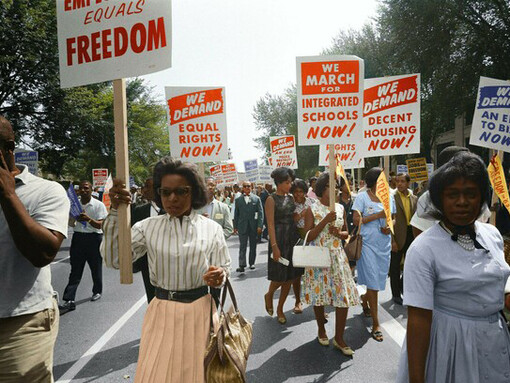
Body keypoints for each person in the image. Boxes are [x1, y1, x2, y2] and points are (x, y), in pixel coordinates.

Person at [101, 157, 230, 383]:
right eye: (166, 191)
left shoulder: (212, 229)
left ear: (194, 192)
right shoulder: (147, 227)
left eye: (181, 191)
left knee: (197, 376)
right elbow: (114, 260)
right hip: (161, 311)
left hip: (200, 313)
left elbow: (224, 269)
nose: (173, 198)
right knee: (157, 375)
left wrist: (219, 275)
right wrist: (115, 212)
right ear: (158, 194)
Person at [396, 152, 510, 383]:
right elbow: (418, 320)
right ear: (440, 199)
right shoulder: (423, 249)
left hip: (495, 341)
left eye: (470, 194)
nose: (462, 202)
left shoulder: (493, 234)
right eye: (452, 194)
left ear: (482, 198)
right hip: (450, 347)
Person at [0, 116, 70, 382]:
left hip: (20, 325)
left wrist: (8, 195)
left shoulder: (46, 191)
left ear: (8, 147)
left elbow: (42, 254)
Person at [302, 173, 360, 355]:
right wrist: (325, 221)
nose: (334, 188)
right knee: (319, 297)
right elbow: (307, 235)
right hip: (319, 257)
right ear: (322, 188)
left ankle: (340, 338)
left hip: (338, 257)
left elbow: (347, 234)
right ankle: (321, 329)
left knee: (343, 297)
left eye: (336, 185)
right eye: (330, 185)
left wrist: (339, 233)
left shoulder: (341, 208)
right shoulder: (313, 209)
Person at [352, 167, 395, 342]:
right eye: (382, 179)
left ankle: (365, 299)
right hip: (367, 244)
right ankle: (376, 324)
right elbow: (356, 220)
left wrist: (388, 227)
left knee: (376, 280)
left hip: (383, 245)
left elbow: (392, 217)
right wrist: (377, 215)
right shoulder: (362, 197)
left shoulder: (389, 197)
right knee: (373, 282)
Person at [60, 180, 108, 311]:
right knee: (75, 270)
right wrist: (74, 218)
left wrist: (88, 219)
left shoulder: (98, 205)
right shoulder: (75, 205)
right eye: (81, 189)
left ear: (91, 189)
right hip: (78, 239)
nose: (84, 191)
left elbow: (101, 225)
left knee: (95, 267)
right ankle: (69, 299)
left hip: (94, 239)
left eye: (86, 188)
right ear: (78, 191)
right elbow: (70, 224)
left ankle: (97, 291)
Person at [264, 167, 302, 324]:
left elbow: (293, 219)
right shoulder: (271, 199)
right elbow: (270, 225)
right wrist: (274, 246)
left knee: (290, 277)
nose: (290, 185)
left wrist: (304, 214)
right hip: (278, 240)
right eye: (287, 182)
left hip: (292, 239)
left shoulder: (291, 198)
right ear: (279, 183)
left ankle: (280, 308)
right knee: (279, 277)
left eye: (290, 182)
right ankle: (269, 294)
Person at [131, 177, 160, 303]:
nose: (144, 190)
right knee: (152, 299)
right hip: (147, 262)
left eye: (148, 187)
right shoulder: (139, 210)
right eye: (144, 186)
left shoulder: (171, 211)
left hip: (168, 262)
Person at [390, 173, 417, 305]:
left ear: (408, 183)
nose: (399, 184)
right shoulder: (392, 197)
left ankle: (402, 287)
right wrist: (392, 240)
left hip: (411, 234)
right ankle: (395, 294)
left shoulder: (414, 198)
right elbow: (388, 220)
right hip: (397, 235)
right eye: (397, 181)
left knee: (410, 265)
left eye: (402, 181)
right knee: (394, 266)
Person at [233, 181, 264, 272]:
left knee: (253, 245)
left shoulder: (256, 199)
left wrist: (260, 226)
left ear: (251, 187)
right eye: (245, 186)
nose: (247, 188)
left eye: (248, 186)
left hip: (253, 226)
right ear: (242, 188)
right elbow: (236, 214)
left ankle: (252, 263)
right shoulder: (238, 200)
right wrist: (235, 226)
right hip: (242, 226)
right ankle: (242, 264)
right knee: (242, 245)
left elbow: (261, 213)